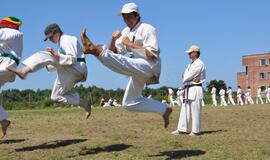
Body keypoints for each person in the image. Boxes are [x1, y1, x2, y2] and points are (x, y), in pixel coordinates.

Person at [80, 2, 172, 128]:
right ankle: (164, 110)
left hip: (149, 66)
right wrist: (113, 39)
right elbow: (114, 53)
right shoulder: (125, 31)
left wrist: (129, 44)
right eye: (124, 17)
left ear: (136, 15)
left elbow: (151, 54)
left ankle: (96, 50)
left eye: (129, 16)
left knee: (125, 62)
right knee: (128, 103)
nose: (126, 20)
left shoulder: (147, 29)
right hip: (136, 68)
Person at [8, 23, 91, 119]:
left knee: (47, 54)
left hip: (76, 68)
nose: (51, 40)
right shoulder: (62, 43)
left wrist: (54, 54)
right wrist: (48, 62)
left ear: (57, 32)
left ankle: (24, 70)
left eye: (51, 37)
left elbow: (71, 59)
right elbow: (61, 61)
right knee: (55, 96)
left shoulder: (66, 39)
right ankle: (84, 104)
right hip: (73, 72)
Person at [172, 45, 206, 136]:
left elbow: (188, 75)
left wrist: (187, 77)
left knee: (195, 110)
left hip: (195, 88)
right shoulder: (190, 64)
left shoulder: (199, 63)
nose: (189, 54)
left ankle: (195, 130)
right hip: (188, 88)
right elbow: (184, 75)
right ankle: (182, 129)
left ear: (195, 53)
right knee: (185, 109)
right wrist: (187, 77)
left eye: (190, 53)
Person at [0, 16, 23, 137]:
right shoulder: (15, 36)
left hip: (6, 65)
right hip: (8, 68)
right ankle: (3, 120)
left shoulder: (11, 32)